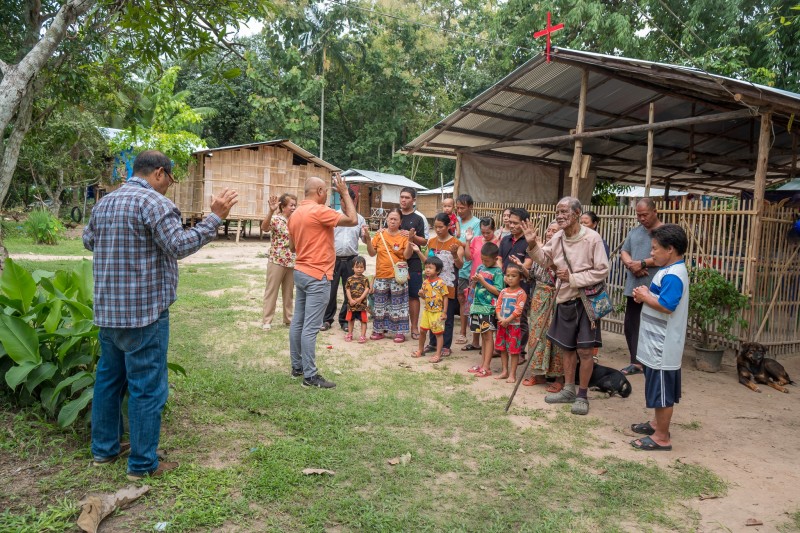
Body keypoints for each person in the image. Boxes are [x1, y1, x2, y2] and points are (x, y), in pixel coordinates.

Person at [84, 150, 238, 480]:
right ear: (158, 173)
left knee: (109, 381)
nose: (169, 186)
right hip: (144, 314)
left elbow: (88, 241)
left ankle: (104, 450)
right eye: (170, 178)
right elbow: (179, 246)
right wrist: (215, 218)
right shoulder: (155, 203)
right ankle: (141, 465)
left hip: (109, 312)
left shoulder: (104, 204)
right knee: (146, 388)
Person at [525, 196, 609, 415]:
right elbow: (544, 259)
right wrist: (533, 243)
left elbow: (602, 270)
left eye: (564, 212)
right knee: (567, 348)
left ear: (578, 213)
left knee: (585, 350)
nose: (560, 216)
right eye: (558, 212)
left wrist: (572, 277)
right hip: (564, 300)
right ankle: (569, 389)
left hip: (586, 302)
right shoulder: (559, 237)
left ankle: (582, 395)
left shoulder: (592, 238)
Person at [288, 174, 358, 389]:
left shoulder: (295, 213)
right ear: (319, 192)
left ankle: (297, 367)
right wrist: (345, 193)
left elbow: (292, 248)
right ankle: (310, 376)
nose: (328, 194)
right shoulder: (319, 211)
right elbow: (353, 220)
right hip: (318, 274)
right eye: (326, 191)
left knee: (298, 322)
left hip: (300, 271)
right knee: (310, 327)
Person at [629, 224, 689, 451]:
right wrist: (644, 295)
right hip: (656, 342)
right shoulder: (668, 270)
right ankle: (656, 424)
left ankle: (662, 437)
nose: (651, 253)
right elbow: (659, 298)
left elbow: (667, 306)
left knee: (662, 393)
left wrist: (646, 296)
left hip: (663, 346)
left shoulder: (674, 275)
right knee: (656, 387)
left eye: (655, 249)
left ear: (670, 249)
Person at [619, 198, 663, 375]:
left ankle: (653, 363)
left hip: (655, 288)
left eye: (645, 215)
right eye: (638, 215)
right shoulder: (635, 232)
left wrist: (642, 264)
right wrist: (631, 264)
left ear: (655, 212)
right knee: (632, 324)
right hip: (634, 286)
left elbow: (667, 256)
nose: (641, 218)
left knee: (653, 325)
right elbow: (624, 250)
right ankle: (636, 362)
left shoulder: (665, 232)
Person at [520, 222, 564, 392]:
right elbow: (533, 275)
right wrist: (522, 267)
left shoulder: (562, 252)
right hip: (539, 295)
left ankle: (559, 378)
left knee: (557, 338)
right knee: (536, 335)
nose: (550, 233)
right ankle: (537, 374)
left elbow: (559, 271)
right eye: (549, 230)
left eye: (554, 231)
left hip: (556, 296)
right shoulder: (540, 249)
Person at [322, 187, 368, 332]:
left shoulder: (360, 219)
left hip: (352, 261)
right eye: (341, 199)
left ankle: (344, 320)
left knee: (351, 290)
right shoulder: (333, 215)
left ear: (353, 200)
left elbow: (365, 241)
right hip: (333, 259)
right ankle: (327, 319)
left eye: (347, 199)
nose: (344, 202)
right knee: (330, 290)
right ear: (340, 200)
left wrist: (367, 235)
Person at [419, 213, 464, 356]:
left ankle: (445, 345)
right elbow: (427, 262)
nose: (438, 230)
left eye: (441, 227)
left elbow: (460, 265)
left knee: (446, 316)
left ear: (448, 226)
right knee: (431, 314)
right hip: (431, 287)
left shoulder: (456, 243)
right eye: (436, 227)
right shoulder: (431, 242)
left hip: (448, 285)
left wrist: (455, 255)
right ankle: (432, 343)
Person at [366, 208, 413, 342]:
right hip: (381, 275)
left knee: (399, 304)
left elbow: (407, 255)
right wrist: (369, 240)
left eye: (395, 219)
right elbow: (371, 253)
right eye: (390, 219)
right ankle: (379, 330)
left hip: (398, 276)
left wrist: (410, 241)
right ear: (386, 220)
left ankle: (400, 332)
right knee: (380, 304)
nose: (392, 221)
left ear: (400, 222)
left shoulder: (403, 236)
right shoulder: (379, 235)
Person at [461, 216, 500, 352]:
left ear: (494, 229)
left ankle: (490, 345)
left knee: (490, 315)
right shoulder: (476, 240)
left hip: (490, 282)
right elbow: (468, 257)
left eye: (488, 232)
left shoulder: (498, 242)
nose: (485, 235)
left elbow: (499, 263)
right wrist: (467, 241)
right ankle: (475, 341)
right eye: (483, 232)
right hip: (476, 281)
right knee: (475, 311)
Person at [466, 242, 504, 378]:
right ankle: (482, 364)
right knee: (482, 335)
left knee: (488, 336)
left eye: (487, 260)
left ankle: (487, 367)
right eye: (482, 259)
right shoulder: (481, 267)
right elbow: (474, 285)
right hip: (477, 306)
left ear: (495, 259)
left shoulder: (498, 272)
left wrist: (483, 282)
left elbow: (499, 291)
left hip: (489, 308)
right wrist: (475, 281)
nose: (484, 262)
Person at [499, 208, 534, 350]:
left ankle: (519, 351)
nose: (511, 225)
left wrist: (517, 272)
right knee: (502, 315)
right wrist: (504, 276)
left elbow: (528, 264)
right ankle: (503, 347)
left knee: (521, 319)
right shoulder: (505, 240)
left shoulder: (529, 242)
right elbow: (499, 259)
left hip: (522, 288)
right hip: (505, 286)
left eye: (515, 223)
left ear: (524, 224)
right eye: (510, 222)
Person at [261, 193, 297, 331]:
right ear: (282, 206)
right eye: (291, 205)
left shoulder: (295, 220)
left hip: (292, 261)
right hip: (276, 260)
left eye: (295, 205)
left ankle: (288, 319)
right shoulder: (276, 219)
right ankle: (267, 321)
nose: (293, 207)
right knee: (272, 291)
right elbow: (264, 228)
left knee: (288, 293)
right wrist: (270, 211)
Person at [397, 187, 428, 340]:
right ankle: (393, 325)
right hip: (396, 260)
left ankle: (414, 327)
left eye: (407, 197)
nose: (403, 200)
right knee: (394, 293)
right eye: (402, 197)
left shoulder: (418, 219)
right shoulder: (395, 215)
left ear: (414, 200)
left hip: (414, 261)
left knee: (413, 295)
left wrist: (412, 236)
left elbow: (424, 241)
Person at [455, 194, 482, 344]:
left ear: (470, 207)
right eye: (457, 207)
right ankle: (462, 332)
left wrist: (460, 244)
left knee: (469, 300)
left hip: (470, 268)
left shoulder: (476, 224)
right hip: (457, 265)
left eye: (462, 207)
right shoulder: (456, 221)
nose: (459, 211)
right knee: (460, 299)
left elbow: (474, 245)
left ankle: (474, 335)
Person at [494, 265, 527, 383]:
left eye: (514, 276)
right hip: (502, 324)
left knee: (514, 350)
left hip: (514, 326)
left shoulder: (521, 293)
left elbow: (518, 310)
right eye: (508, 275)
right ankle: (504, 371)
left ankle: (512, 374)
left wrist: (508, 320)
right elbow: (498, 306)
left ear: (520, 278)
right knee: (502, 348)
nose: (510, 278)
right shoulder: (503, 291)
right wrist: (500, 318)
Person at [412, 256, 449, 362]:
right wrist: (421, 294)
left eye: (430, 267)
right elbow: (425, 297)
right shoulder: (425, 282)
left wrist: (444, 312)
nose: (427, 269)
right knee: (422, 331)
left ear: (437, 270)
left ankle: (438, 354)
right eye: (426, 267)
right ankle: (420, 350)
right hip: (427, 311)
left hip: (437, 313)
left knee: (438, 334)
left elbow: (445, 297)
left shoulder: (441, 283)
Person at [344, 256, 370, 343]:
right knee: (350, 320)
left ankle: (362, 336)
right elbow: (347, 289)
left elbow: (367, 289)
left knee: (363, 320)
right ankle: (349, 334)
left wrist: (360, 299)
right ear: (352, 268)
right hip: (352, 305)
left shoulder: (365, 279)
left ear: (364, 268)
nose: (359, 269)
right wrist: (350, 299)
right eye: (357, 267)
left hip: (362, 305)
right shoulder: (349, 279)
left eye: (361, 267)